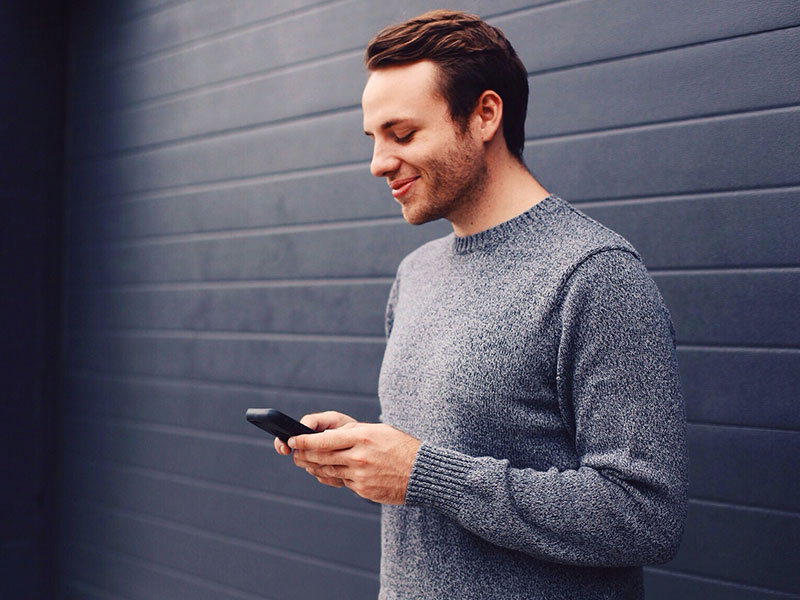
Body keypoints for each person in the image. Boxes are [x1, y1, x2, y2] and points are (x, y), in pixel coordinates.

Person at [274, 9, 688, 599]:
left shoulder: (595, 275)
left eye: (402, 134)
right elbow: (434, 467)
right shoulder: (416, 274)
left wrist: (424, 472)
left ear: (484, 115)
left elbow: (645, 516)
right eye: (374, 139)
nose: (378, 163)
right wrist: (367, 455)